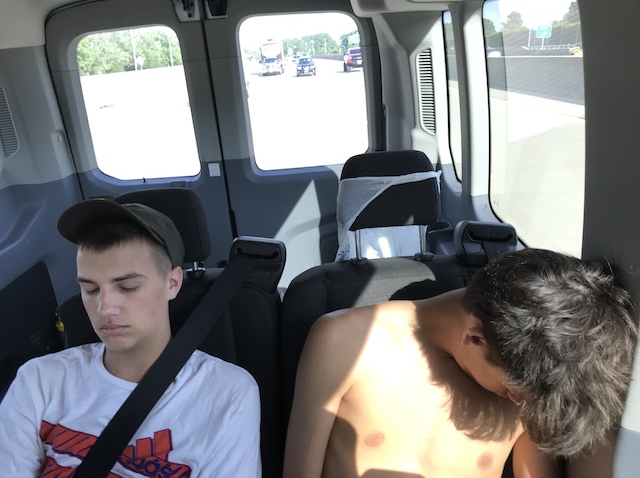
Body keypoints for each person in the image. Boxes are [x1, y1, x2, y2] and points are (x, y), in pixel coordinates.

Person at [283, 248, 638, 478]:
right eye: (512, 390)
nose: (518, 402)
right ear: (475, 338)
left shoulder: (533, 375)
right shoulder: (344, 342)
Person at [0, 200, 262, 477]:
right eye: (90, 289)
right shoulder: (38, 379)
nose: (104, 308)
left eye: (127, 287)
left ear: (172, 283)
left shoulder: (226, 392)